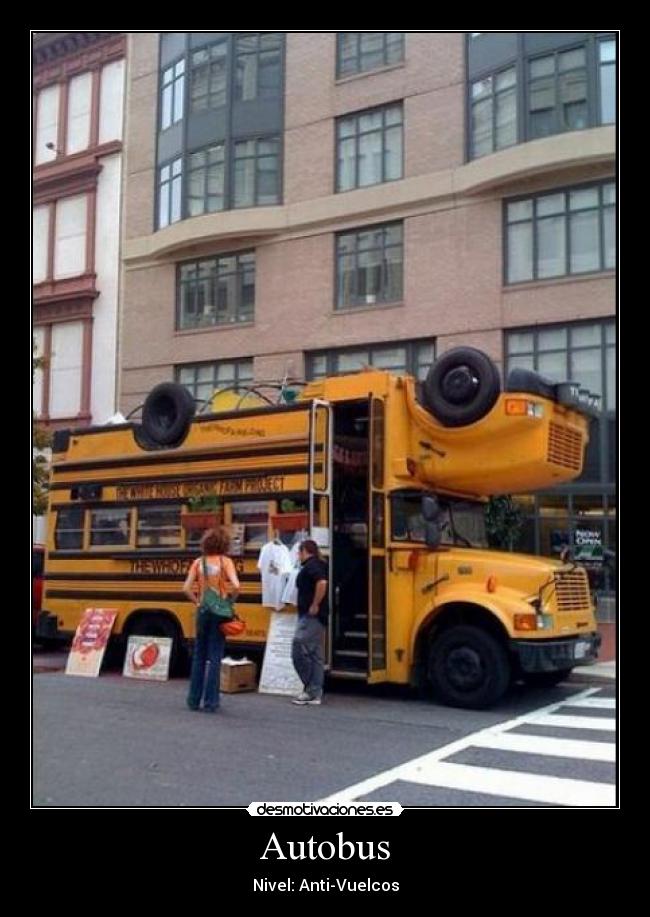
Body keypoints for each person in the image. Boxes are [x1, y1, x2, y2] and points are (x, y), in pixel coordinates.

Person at [183, 528, 240, 713]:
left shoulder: (198, 562)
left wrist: (198, 602)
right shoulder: (225, 562)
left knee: (199, 654)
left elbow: (185, 588)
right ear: (224, 544)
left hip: (203, 610)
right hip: (219, 610)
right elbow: (237, 586)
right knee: (215, 655)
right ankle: (211, 702)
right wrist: (229, 602)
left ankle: (193, 700)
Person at [291, 539, 329, 706]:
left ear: (304, 551)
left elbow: (322, 582)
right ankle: (316, 693)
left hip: (311, 615)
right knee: (315, 655)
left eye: (299, 552)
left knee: (298, 647)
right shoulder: (318, 564)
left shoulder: (312, 565)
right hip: (316, 616)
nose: (298, 556)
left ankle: (311, 689)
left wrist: (315, 604)